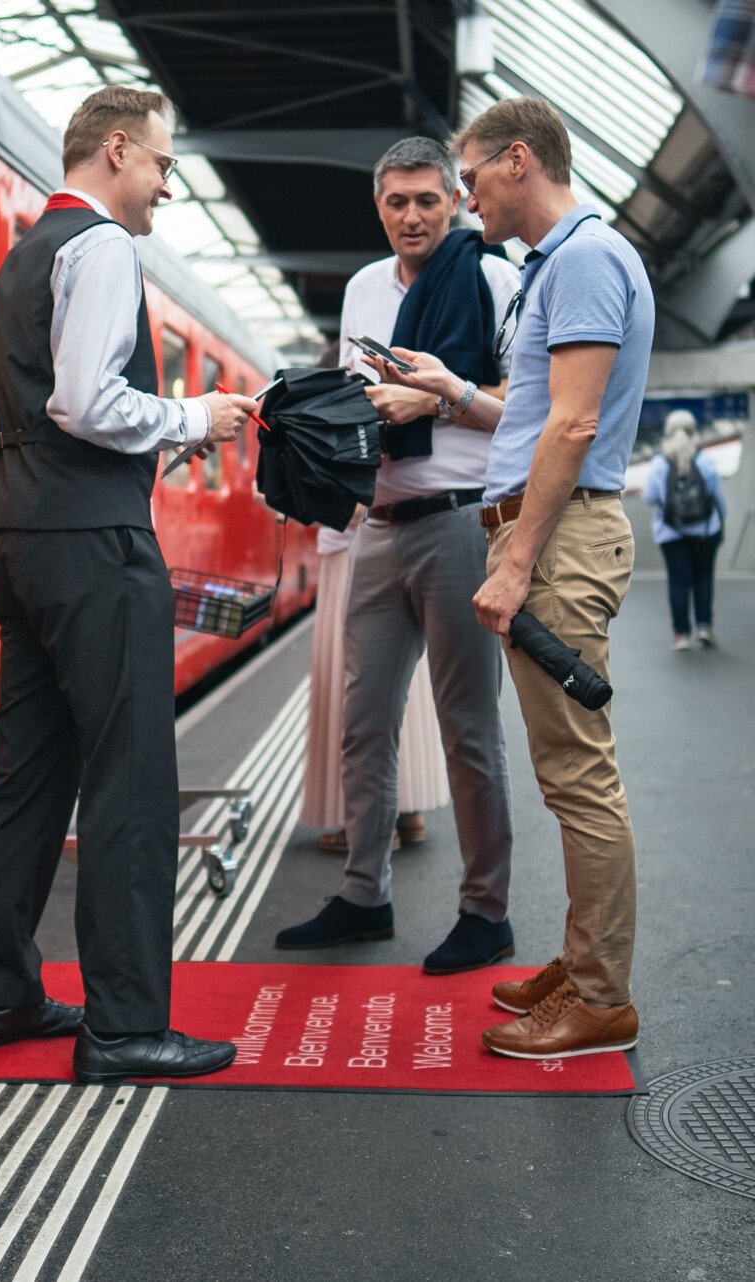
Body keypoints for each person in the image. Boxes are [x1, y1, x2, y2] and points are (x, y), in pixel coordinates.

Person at [0, 85, 258, 1083]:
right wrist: (194, 418)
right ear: (119, 149)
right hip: (93, 540)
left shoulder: (23, 253)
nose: (169, 186)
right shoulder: (101, 248)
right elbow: (88, 400)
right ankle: (125, 1024)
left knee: (29, 774)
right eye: (164, 165)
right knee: (129, 779)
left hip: (16, 533)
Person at [373, 97, 652, 1058]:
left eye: (473, 176)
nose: (464, 195)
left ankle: (602, 997)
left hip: (559, 540)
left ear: (519, 161)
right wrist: (453, 391)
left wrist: (517, 558)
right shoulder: (565, 264)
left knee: (578, 775)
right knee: (562, 768)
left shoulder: (579, 260)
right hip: (550, 533)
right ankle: (581, 965)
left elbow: (572, 429)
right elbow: (534, 415)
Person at [277, 137, 519, 975]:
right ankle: (363, 895)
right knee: (363, 722)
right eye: (396, 202)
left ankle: (486, 912)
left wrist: (439, 397)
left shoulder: (492, 278)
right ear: (379, 208)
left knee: (468, 728)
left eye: (426, 200)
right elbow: (350, 408)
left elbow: (525, 413)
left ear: (454, 199)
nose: (411, 216)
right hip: (379, 522)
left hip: (459, 523)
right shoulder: (361, 291)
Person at [298, 517, 449, 856]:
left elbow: (353, 505)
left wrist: (296, 498)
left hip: (354, 556)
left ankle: (365, 825)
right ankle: (407, 810)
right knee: (403, 682)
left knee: (352, 683)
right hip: (398, 545)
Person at [642, 410, 726, 649]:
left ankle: (680, 635)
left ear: (668, 432)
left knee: (679, 581)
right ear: (693, 431)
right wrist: (720, 525)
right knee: (703, 577)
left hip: (671, 533)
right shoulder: (705, 460)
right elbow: (717, 497)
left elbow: (650, 497)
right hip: (707, 531)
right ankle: (704, 627)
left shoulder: (660, 463)